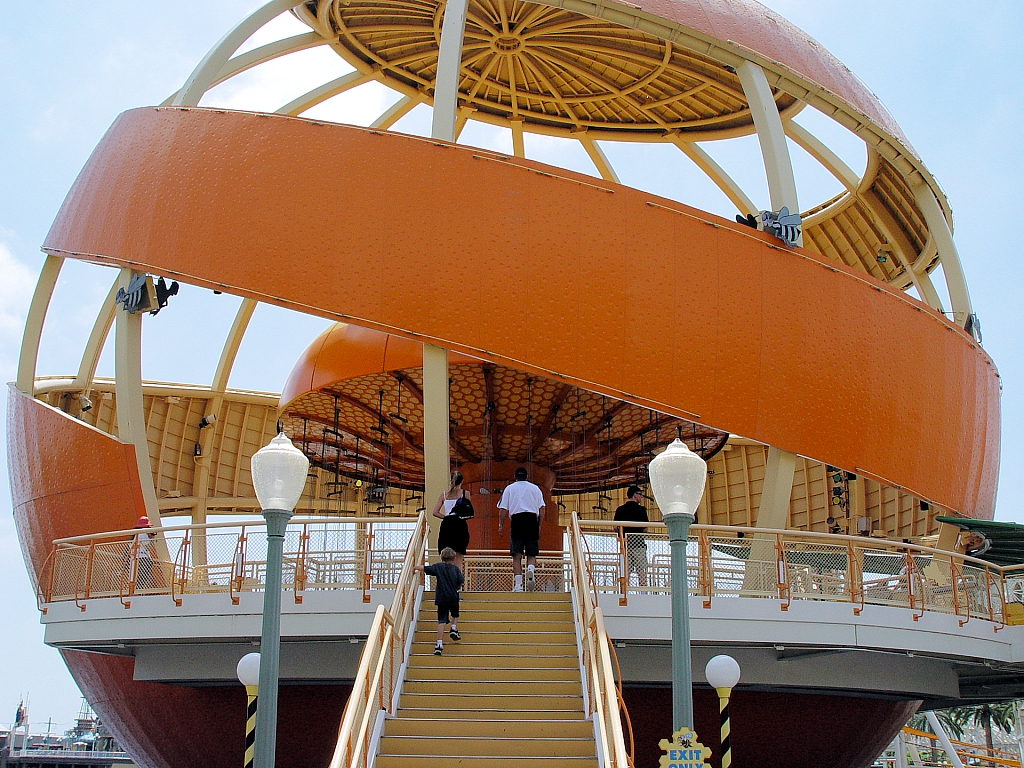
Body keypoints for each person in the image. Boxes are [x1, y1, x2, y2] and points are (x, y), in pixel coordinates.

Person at [497, 467, 545, 592]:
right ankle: (530, 571)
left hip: (517, 520)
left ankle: (518, 585)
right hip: (532, 520)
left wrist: (501, 525)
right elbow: (542, 509)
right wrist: (539, 525)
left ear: (515, 476)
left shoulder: (510, 488)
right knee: (532, 553)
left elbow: (503, 509)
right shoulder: (535, 489)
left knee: (516, 555)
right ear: (527, 476)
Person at [416, 547, 464, 655]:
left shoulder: (438, 567)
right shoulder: (455, 569)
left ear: (441, 557)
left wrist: (415, 567)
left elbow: (425, 568)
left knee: (441, 620)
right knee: (455, 614)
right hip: (453, 597)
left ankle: (439, 643)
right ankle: (453, 627)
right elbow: (461, 581)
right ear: (454, 558)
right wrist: (456, 587)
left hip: (442, 598)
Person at [432, 471, 471, 572]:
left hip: (447, 526)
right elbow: (468, 512)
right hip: (460, 525)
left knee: (445, 557)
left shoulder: (444, 495)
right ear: (462, 481)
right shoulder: (465, 494)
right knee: (459, 557)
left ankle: (445, 581)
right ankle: (457, 584)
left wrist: (445, 517)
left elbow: (435, 512)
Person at [614, 485, 649, 587]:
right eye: (640, 494)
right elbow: (645, 528)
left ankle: (624, 591)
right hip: (638, 544)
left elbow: (615, 527)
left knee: (626, 570)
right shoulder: (641, 510)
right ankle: (643, 592)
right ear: (635, 495)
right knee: (641, 570)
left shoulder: (620, 510)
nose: (641, 497)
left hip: (625, 544)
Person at [132, 515, 157, 591]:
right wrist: (153, 538)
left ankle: (135, 591)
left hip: (135, 558)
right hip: (143, 558)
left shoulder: (135, 536)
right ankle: (139, 591)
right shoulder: (143, 535)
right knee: (142, 578)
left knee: (136, 578)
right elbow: (149, 548)